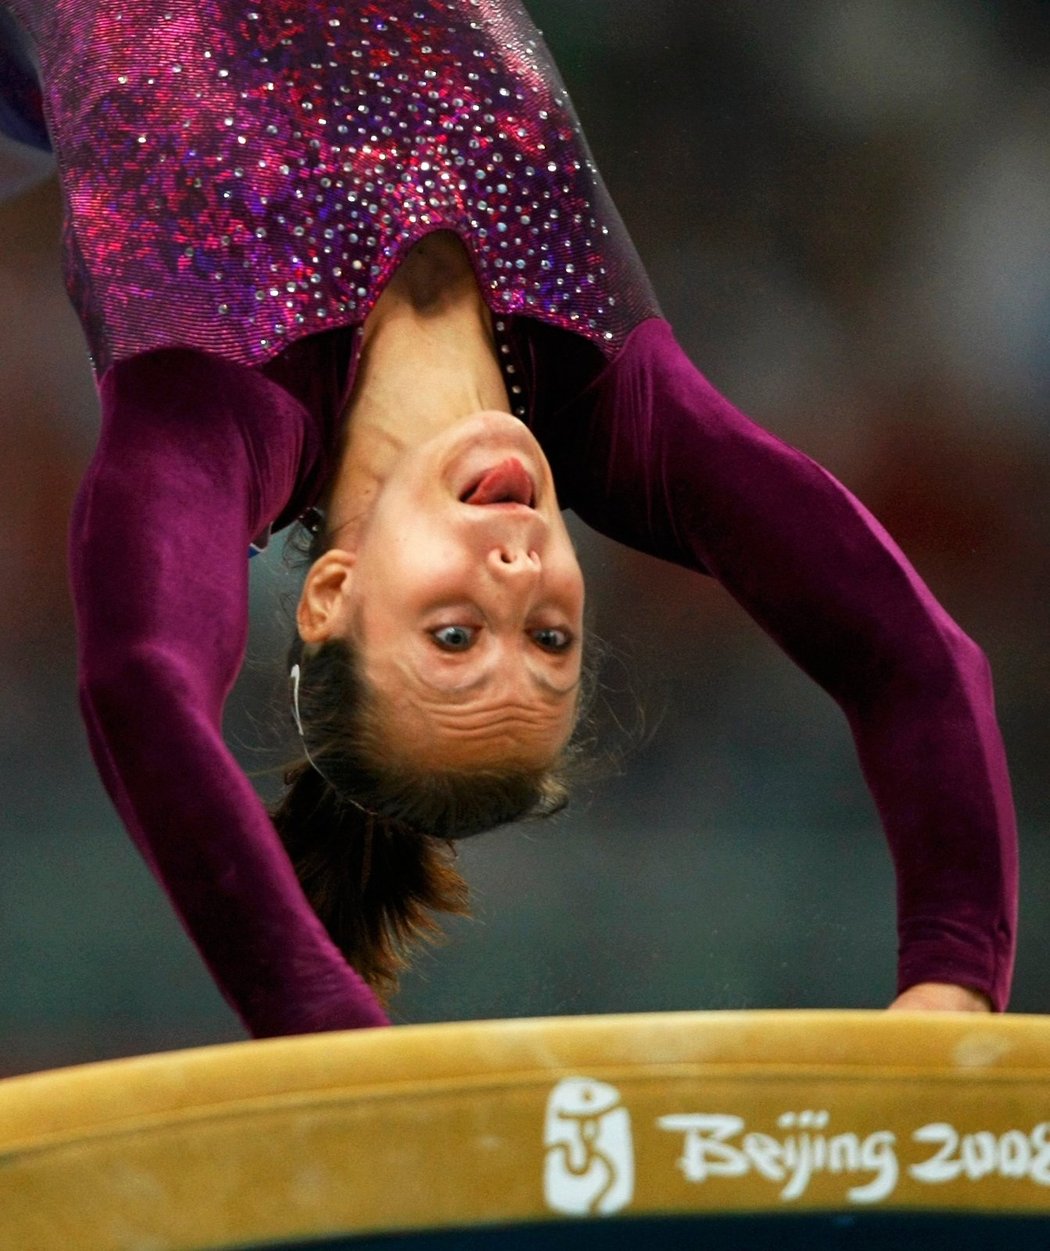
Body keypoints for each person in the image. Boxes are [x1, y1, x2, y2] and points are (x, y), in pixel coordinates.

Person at [0, 0, 1017, 1038]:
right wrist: (955, 974)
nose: (519, 574)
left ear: (333, 594)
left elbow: (141, 688)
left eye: (454, 633)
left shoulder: (212, 412)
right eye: (551, 636)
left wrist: (322, 1028)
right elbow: (911, 658)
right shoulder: (619, 407)